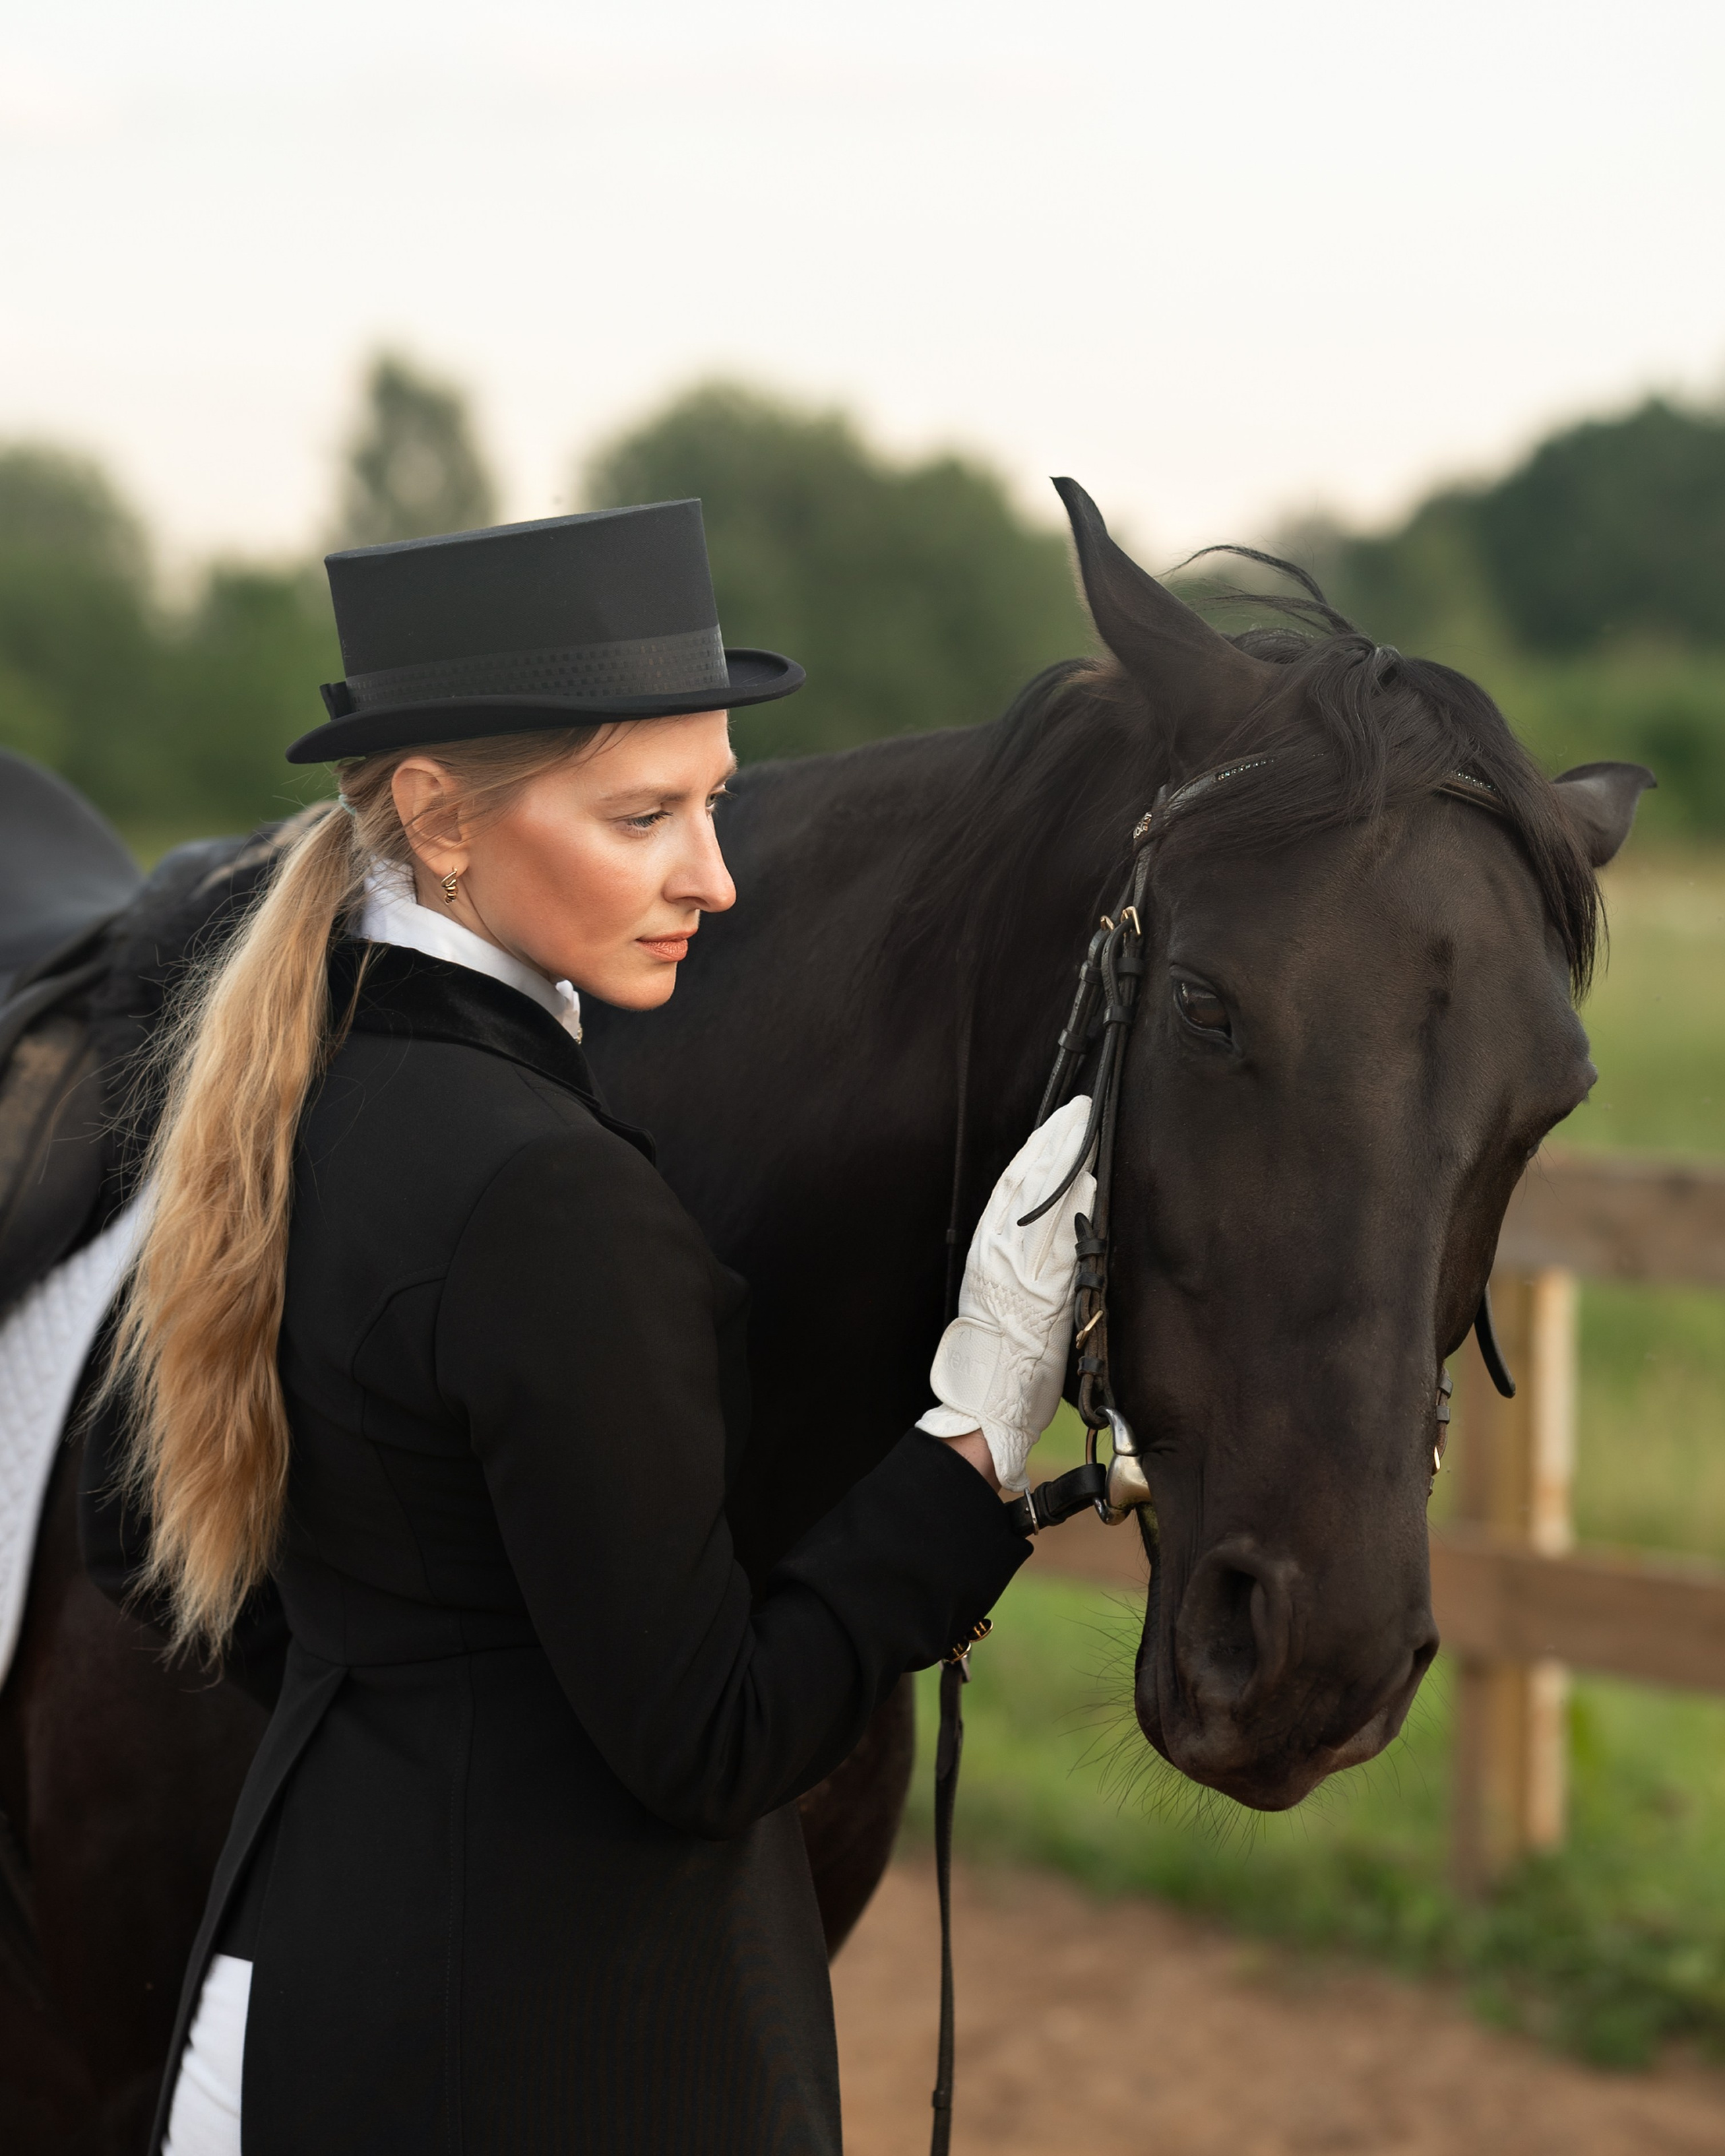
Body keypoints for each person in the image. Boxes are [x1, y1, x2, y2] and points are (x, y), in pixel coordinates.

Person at [106, 501, 1093, 2155]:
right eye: (640, 816)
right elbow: (717, 1741)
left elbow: (210, 1572)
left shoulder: (302, 1092)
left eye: (711, 804)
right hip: (524, 2052)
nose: (711, 875)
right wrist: (982, 1420)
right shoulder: (545, 1198)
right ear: (436, 817)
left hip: (302, 1982)